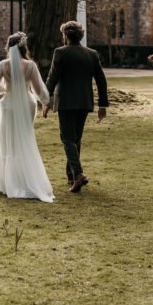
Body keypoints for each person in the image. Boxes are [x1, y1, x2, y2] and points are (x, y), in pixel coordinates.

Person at [0, 32, 54, 202]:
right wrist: (45, 101)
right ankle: (24, 179)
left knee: (6, 140)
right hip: (27, 105)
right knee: (25, 139)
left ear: (9, 47)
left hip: (8, 105)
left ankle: (7, 182)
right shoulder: (30, 66)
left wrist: (6, 91)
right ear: (24, 47)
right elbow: (39, 90)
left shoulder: (3, 65)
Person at [42, 20, 108, 193]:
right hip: (85, 102)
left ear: (65, 35)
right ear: (81, 36)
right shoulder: (92, 54)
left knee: (67, 139)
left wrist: (45, 100)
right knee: (75, 140)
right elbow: (101, 80)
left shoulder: (60, 52)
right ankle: (71, 178)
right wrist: (102, 105)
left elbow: (52, 78)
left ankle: (78, 174)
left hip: (65, 102)